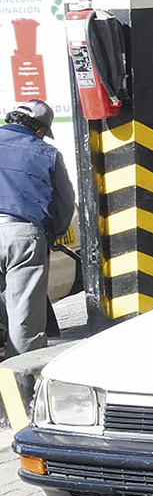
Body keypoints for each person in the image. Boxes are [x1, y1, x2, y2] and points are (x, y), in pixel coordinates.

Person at [0, 100, 75, 355]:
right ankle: (21, 389)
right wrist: (54, 234)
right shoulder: (47, 153)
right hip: (22, 235)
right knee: (24, 320)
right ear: (40, 130)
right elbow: (65, 204)